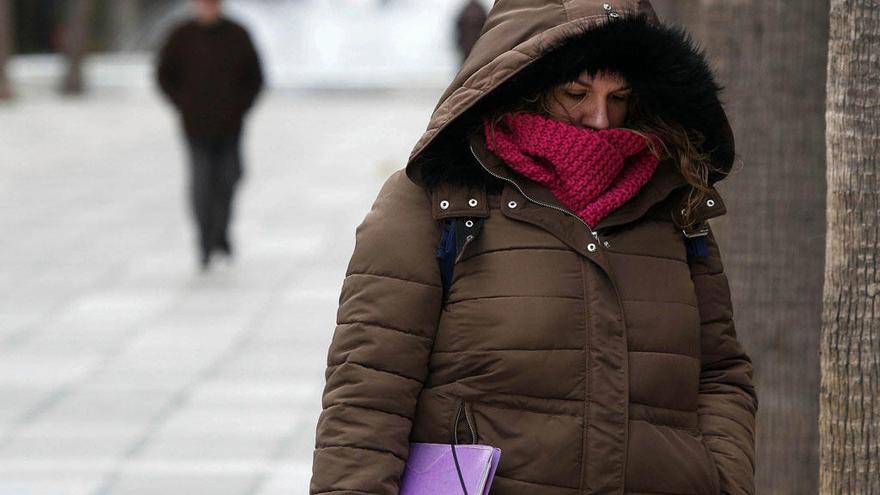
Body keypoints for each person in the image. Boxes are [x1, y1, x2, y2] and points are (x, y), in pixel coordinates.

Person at [310, 1, 758, 494]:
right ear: (525, 84)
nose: (601, 119)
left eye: (621, 96)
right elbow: (368, 392)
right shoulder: (436, 203)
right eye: (576, 92)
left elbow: (720, 374)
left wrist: (722, 478)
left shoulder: (672, 207)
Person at [156, 0, 263, 271]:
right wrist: (182, 103)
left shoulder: (238, 34)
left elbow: (256, 77)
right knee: (202, 184)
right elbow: (163, 74)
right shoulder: (181, 35)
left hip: (230, 127)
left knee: (229, 179)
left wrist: (241, 107)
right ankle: (205, 241)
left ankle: (221, 233)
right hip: (195, 127)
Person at [455, 0, 488, 66]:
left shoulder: (464, 11)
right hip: (478, 48)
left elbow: (458, 31)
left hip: (466, 48)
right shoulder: (481, 10)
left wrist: (460, 45)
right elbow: (487, 28)